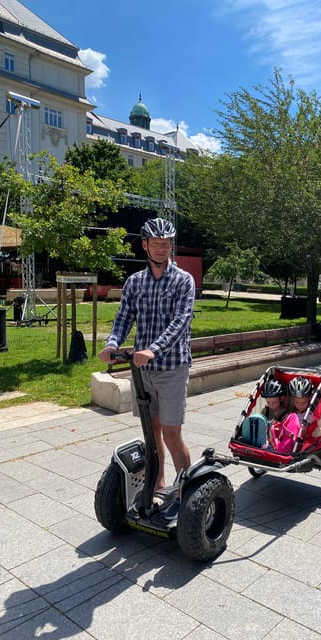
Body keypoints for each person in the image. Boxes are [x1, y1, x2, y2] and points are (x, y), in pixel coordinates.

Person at [98, 218, 195, 512]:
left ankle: (187, 490)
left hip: (172, 367)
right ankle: (158, 484)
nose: (163, 248)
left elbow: (181, 321)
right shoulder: (135, 282)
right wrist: (113, 343)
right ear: (145, 245)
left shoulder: (183, 281)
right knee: (150, 432)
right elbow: (124, 317)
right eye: (156, 243)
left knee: (170, 433)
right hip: (143, 371)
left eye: (167, 243)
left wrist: (153, 349)